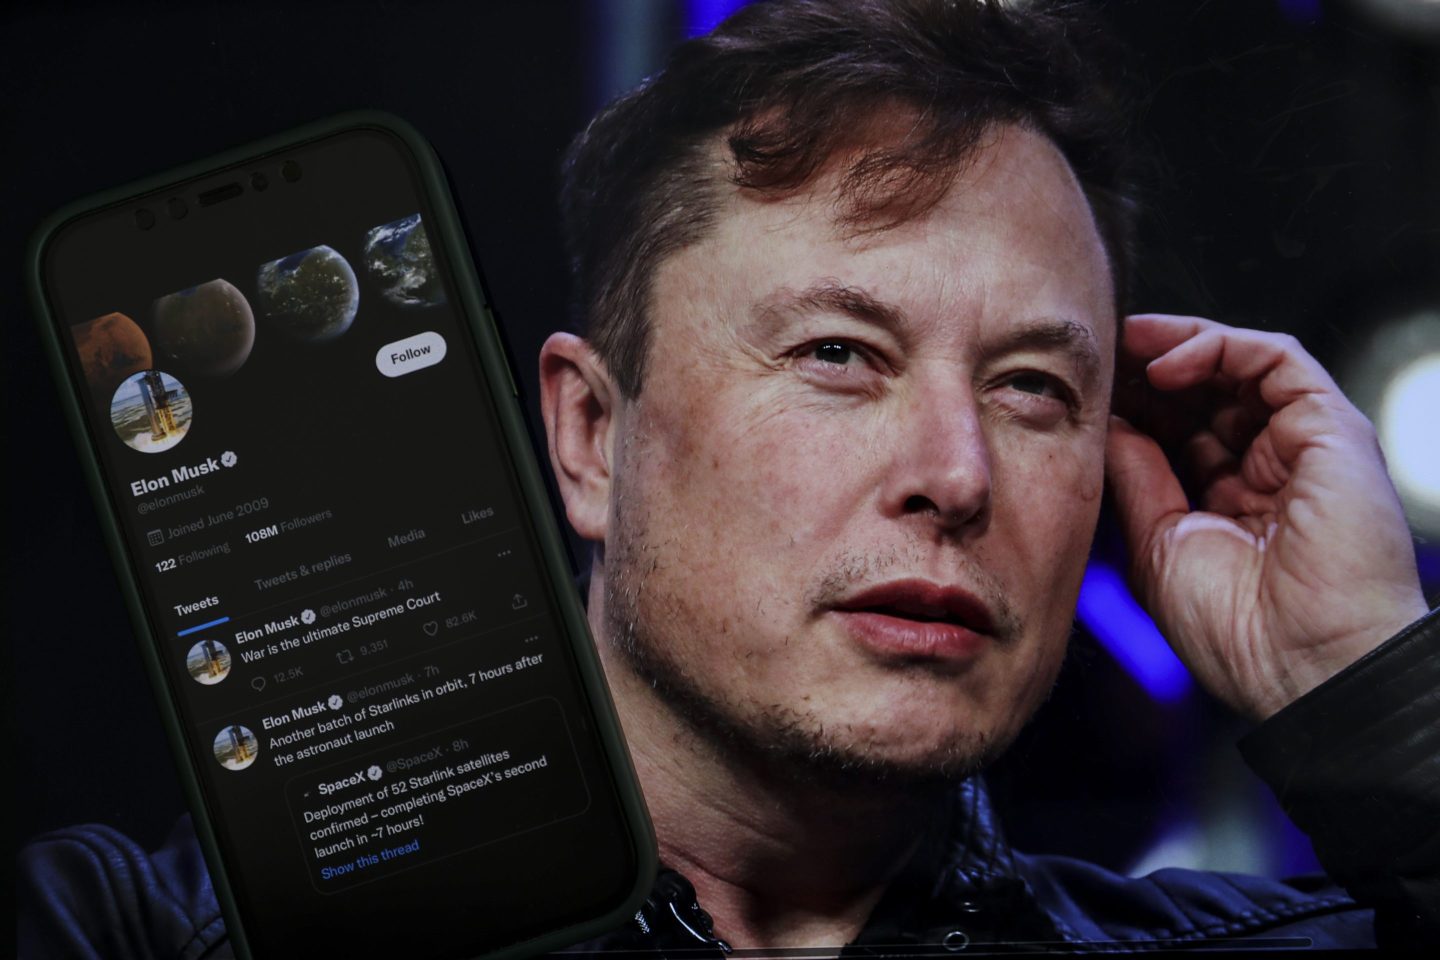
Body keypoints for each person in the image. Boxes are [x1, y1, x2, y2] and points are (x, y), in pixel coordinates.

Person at [18, 0, 1439, 956]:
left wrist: (1368, 687)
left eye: (1031, 389)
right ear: (591, 435)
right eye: (838, 353)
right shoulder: (140, 935)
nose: (957, 474)